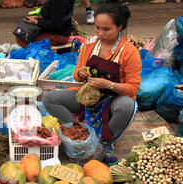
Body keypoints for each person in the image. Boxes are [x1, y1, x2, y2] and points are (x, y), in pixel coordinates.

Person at [42, 4, 141, 165]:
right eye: (97, 27)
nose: (100, 33)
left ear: (119, 27)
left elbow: (133, 88)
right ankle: (75, 131)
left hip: (113, 102)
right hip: (87, 98)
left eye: (106, 29)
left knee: (129, 105)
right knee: (50, 98)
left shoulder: (129, 52)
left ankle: (106, 143)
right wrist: (80, 73)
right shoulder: (90, 44)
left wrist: (108, 85)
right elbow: (76, 75)